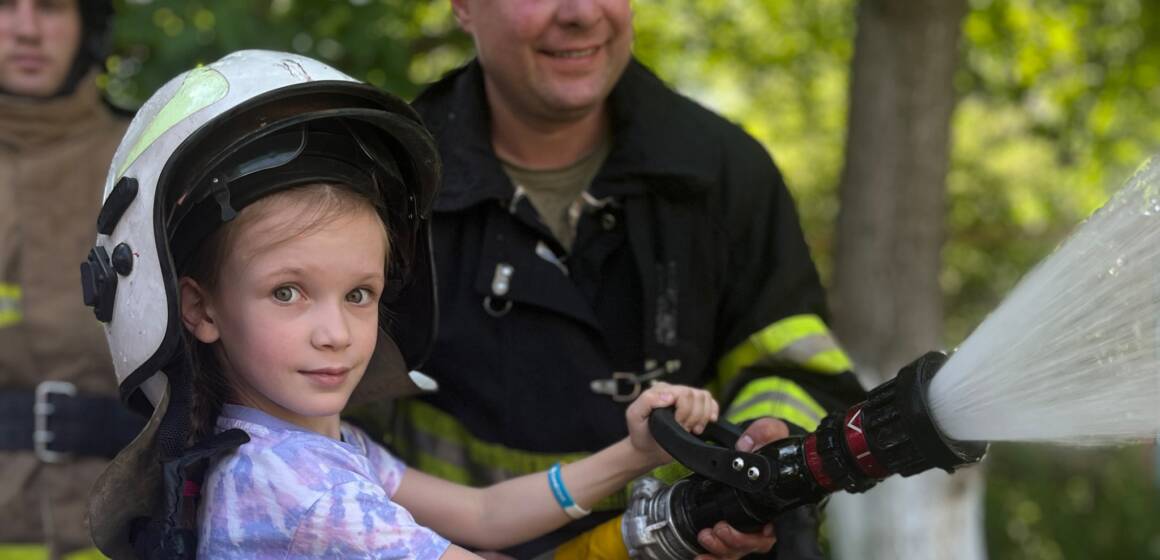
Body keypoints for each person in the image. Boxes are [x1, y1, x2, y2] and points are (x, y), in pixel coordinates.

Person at [83, 50, 746, 560]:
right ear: (198, 308)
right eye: (288, 292)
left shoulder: (306, 450)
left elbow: (484, 517)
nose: (335, 333)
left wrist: (630, 457)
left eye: (359, 294)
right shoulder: (303, 488)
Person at [384, 0, 869, 557]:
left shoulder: (722, 172)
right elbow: (315, 432)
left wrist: (770, 439)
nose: (581, 13)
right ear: (464, 7)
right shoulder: (392, 184)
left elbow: (795, 364)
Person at [0, 0, 139, 557]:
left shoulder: (150, 158)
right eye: (5, 6)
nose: (28, 29)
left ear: (89, 25)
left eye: (52, 6)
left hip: (126, 520)